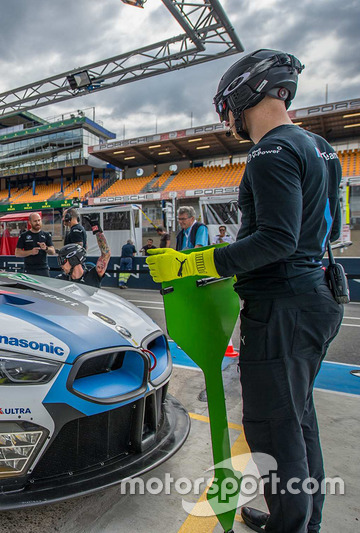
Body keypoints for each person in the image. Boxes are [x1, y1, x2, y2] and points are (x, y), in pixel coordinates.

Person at [147, 49, 343, 533]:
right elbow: (324, 231)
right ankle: (301, 519)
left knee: (274, 428)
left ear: (242, 95)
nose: (228, 117)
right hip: (316, 295)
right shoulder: (320, 147)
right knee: (298, 421)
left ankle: (290, 526)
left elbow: (277, 239)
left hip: (283, 306)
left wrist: (197, 261)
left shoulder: (270, 152)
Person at [15, 212, 56, 277]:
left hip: (43, 269)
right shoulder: (24, 235)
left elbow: (53, 252)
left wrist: (46, 248)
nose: (37, 223)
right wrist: (31, 252)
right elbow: (17, 253)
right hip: (29, 269)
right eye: (35, 221)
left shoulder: (46, 235)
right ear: (30, 222)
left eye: (39, 220)